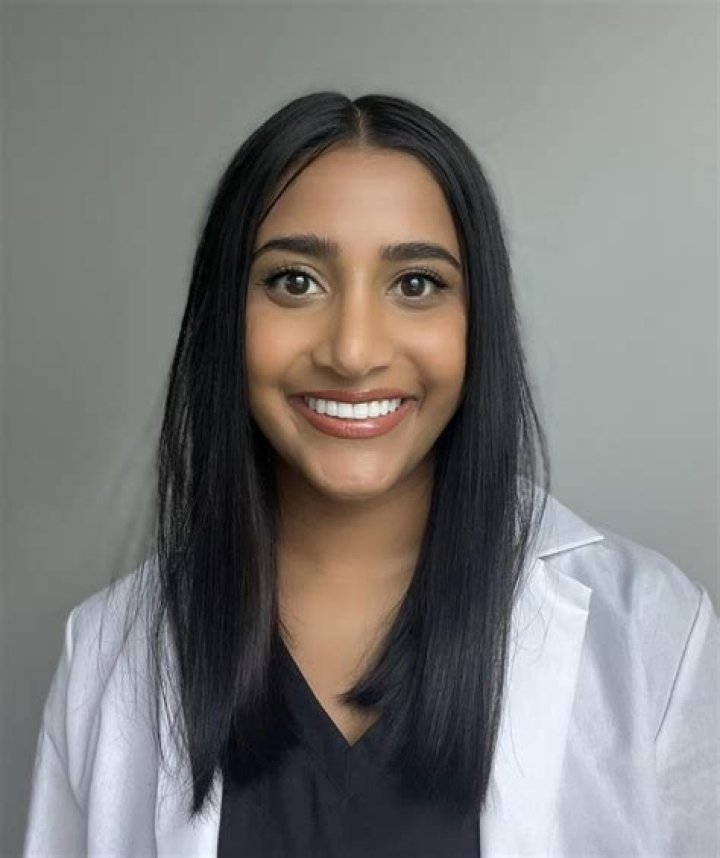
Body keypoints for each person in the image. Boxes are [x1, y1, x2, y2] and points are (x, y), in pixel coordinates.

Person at [23, 91, 718, 857]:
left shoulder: (651, 630)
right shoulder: (108, 648)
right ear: (227, 314)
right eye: (295, 281)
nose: (353, 352)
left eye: (416, 284)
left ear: (478, 321)